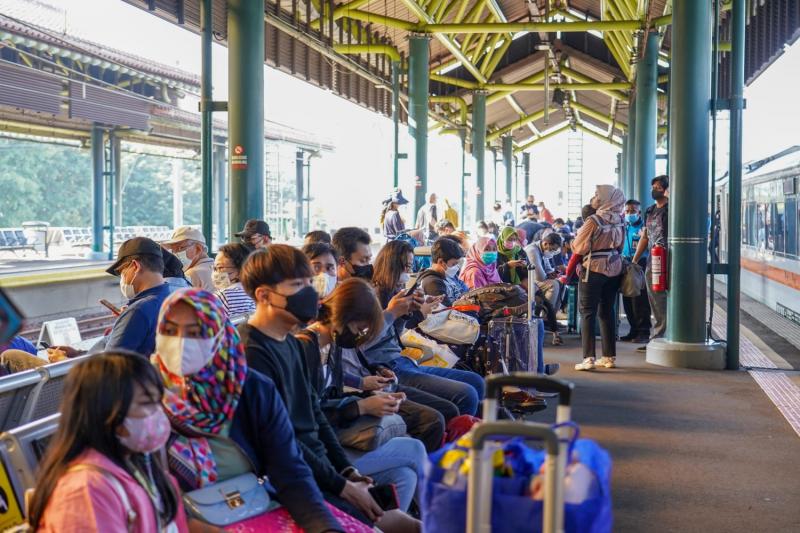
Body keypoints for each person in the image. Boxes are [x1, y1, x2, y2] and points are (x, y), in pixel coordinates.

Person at [238, 245, 422, 532]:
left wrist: (347, 471)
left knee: (408, 521)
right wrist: (343, 485)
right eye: (299, 285)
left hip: (320, 466)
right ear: (264, 295)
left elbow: (315, 416)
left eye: (310, 283)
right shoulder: (252, 353)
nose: (311, 293)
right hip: (293, 478)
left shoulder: (288, 343)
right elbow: (282, 443)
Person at [153, 288, 348, 532]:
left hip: (249, 506)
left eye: (196, 333)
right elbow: (138, 484)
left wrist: (324, 527)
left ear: (219, 336)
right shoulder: (142, 392)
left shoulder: (251, 389)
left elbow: (289, 470)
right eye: (170, 331)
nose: (181, 343)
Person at [28, 352, 189, 532]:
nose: (159, 413)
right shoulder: (86, 491)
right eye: (146, 403)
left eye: (158, 402)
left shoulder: (140, 463)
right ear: (107, 411)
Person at [300, 277, 448, 453]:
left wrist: (366, 388)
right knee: (424, 433)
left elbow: (332, 387)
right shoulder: (307, 348)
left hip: (345, 404)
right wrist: (362, 405)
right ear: (346, 317)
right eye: (359, 330)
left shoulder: (331, 343)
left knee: (434, 421)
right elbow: (309, 416)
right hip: (323, 431)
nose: (359, 336)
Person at [368, 241, 486, 417]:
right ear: (392, 266)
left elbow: (394, 336)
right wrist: (398, 313)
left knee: (476, 381)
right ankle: (458, 436)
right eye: (406, 267)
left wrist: (409, 312)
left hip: (401, 360)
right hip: (388, 367)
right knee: (466, 394)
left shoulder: (393, 292)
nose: (408, 274)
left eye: (410, 267)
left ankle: (473, 428)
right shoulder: (371, 295)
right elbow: (368, 343)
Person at [572, 185, 626, 371]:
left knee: (587, 312)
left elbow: (579, 247)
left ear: (606, 200)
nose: (593, 198)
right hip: (615, 267)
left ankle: (588, 358)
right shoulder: (620, 219)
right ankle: (609, 357)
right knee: (607, 312)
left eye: (597, 195)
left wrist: (575, 242)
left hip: (593, 269)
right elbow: (620, 247)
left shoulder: (593, 220)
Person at [104, 237, 172, 356]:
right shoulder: (171, 298)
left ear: (135, 266)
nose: (122, 279)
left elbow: (109, 364)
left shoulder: (138, 310)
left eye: (122, 272)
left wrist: (128, 318)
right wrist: (79, 353)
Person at [633, 175, 669, 351]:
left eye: (659, 187)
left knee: (667, 295)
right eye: (653, 186)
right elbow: (645, 236)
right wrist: (635, 259)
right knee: (654, 297)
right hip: (654, 258)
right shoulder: (650, 210)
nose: (654, 190)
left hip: (669, 256)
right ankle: (658, 335)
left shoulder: (672, 208)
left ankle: (664, 334)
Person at [621, 199, 652, 343]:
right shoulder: (624, 226)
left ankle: (643, 331)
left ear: (639, 212)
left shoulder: (644, 228)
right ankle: (633, 330)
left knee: (639, 299)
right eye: (627, 211)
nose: (629, 214)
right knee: (627, 298)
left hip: (640, 263)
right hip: (625, 263)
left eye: (632, 211)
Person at [417, 237, 467, 306]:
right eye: (453, 264)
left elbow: (466, 292)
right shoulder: (432, 283)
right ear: (440, 262)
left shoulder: (450, 275)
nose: (457, 268)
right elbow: (446, 310)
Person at [213, 242, 255, 318]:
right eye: (214, 268)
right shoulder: (255, 293)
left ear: (240, 270)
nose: (215, 273)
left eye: (220, 268)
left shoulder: (222, 296)